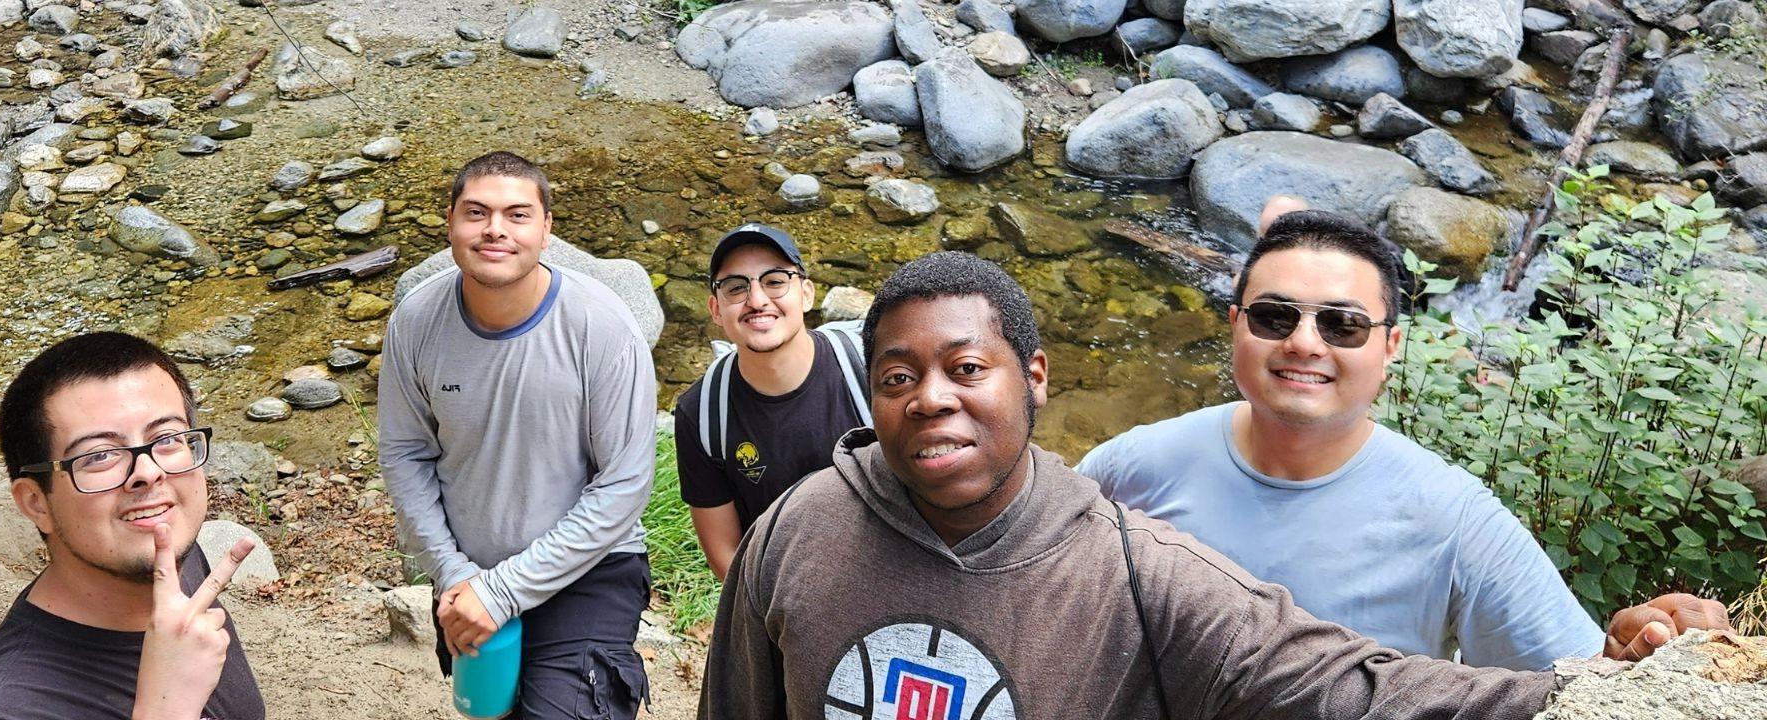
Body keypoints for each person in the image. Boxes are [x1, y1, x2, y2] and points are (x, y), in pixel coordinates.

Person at [700, 251, 1724, 719]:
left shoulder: (1137, 568)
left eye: (969, 369)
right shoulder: (802, 525)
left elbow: (1356, 687)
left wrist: (1641, 690)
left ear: (1036, 378)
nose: (931, 400)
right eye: (897, 377)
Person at [1078, 199, 1731, 670]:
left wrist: (1628, 649)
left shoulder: (1454, 521)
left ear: (1390, 348)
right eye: (1276, 316)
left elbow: (1577, 684)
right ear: (1235, 325)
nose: (1305, 343)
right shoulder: (1131, 468)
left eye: (1343, 325)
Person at [379, 151, 657, 717]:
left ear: (547, 228)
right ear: (450, 223)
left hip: (589, 569)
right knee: (489, 711)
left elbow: (624, 484)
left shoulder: (602, 327)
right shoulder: (415, 321)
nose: (495, 230)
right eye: (476, 213)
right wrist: (456, 574)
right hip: (469, 569)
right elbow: (406, 454)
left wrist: (503, 592)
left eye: (517, 214)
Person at [0, 332, 263, 719]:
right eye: (99, 456)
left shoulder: (171, 560)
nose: (148, 472)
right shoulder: (10, 709)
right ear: (36, 502)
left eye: (166, 438)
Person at [675, 223, 871, 580]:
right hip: (783, 592)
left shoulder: (869, 367)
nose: (757, 300)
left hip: (896, 567)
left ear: (807, 294)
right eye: (736, 287)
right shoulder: (701, 413)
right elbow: (725, 555)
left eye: (775, 281)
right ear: (715, 310)